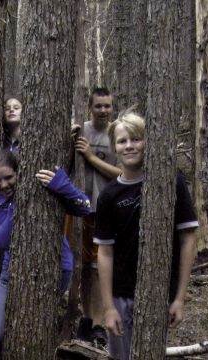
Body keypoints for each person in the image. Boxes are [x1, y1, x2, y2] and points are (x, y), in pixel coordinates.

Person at [94, 111, 198, 360]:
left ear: (148, 142)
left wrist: (180, 298)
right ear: (114, 147)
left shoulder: (171, 183)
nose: (129, 146)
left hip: (159, 294)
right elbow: (105, 253)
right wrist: (108, 308)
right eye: (122, 141)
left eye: (136, 139)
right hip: (120, 296)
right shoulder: (109, 195)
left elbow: (188, 240)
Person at [0, 151, 91, 359]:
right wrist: (18, 206)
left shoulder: (42, 181)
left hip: (58, 265)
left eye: (9, 177)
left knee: (34, 329)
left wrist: (62, 186)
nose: (4, 184)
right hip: (10, 269)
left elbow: (85, 207)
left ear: (19, 172)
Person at [73, 87, 122, 344]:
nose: (103, 111)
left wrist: (91, 157)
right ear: (90, 107)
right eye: (98, 106)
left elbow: (121, 173)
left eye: (107, 106)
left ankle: (101, 323)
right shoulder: (81, 130)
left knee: (102, 267)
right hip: (82, 209)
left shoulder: (118, 132)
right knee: (84, 267)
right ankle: (86, 317)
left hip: (108, 208)